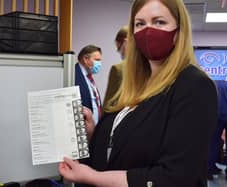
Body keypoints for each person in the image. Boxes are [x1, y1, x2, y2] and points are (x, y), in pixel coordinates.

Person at [59, 0, 218, 186]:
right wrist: (94, 133)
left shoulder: (194, 85)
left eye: (159, 22)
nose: (148, 31)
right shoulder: (131, 83)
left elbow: (176, 177)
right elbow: (122, 147)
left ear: (179, 32)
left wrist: (92, 177)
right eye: (140, 24)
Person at [75, 45, 103, 125]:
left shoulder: (89, 78)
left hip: (94, 129)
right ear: (85, 59)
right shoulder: (73, 75)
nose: (100, 64)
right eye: (97, 60)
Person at [103, 26, 128, 112]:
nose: (119, 52)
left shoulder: (118, 69)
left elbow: (108, 105)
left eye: (118, 48)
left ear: (125, 43)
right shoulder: (152, 68)